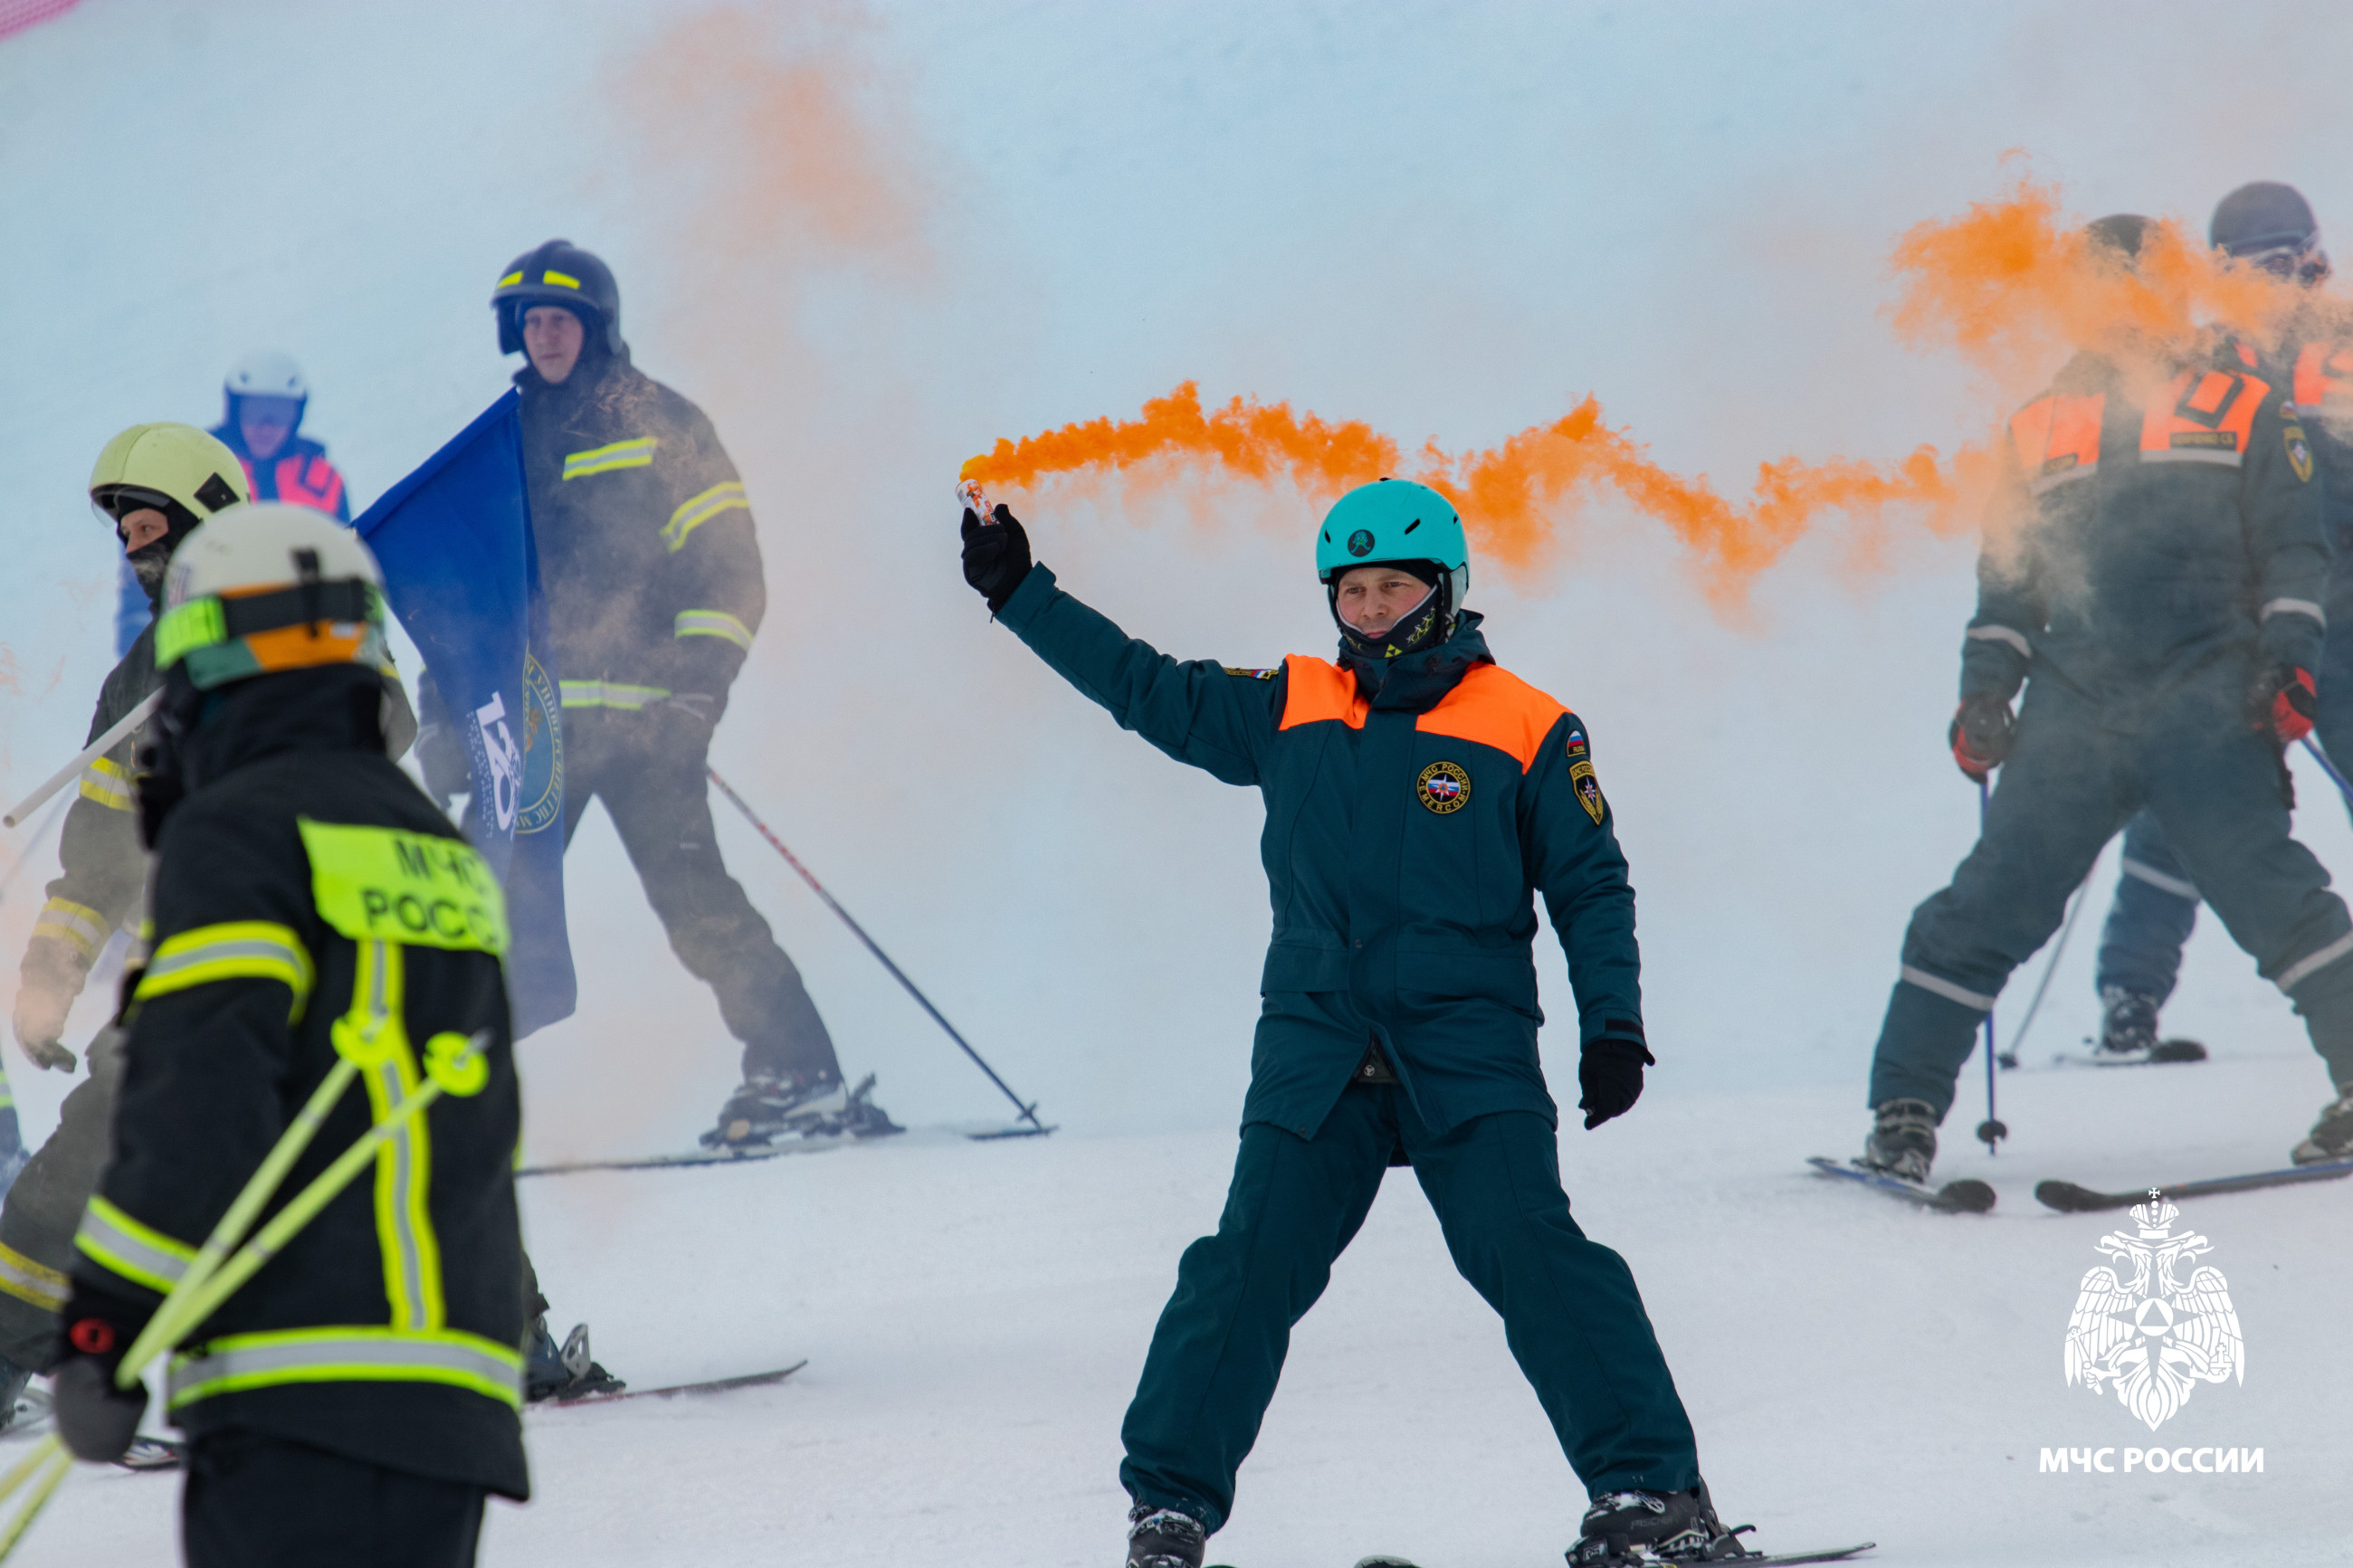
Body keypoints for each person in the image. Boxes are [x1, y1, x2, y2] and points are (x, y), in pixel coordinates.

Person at [960, 480, 1720, 1568]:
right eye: (1350, 589)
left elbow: (1590, 885)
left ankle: (1654, 1497)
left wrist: (1612, 1023)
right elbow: (1142, 687)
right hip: (1316, 1050)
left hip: (1470, 1051)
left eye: (1391, 587)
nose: (1367, 608)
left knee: (1539, 1258)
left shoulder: (1528, 724)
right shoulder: (1289, 703)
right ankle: (1167, 1510)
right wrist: (1020, 592)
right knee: (1241, 1267)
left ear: (1443, 589)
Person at [51, 504, 528, 1565]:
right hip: (453, 1399)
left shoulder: (243, 833)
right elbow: (479, 1115)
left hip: (299, 1388)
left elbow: (195, 1101)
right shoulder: (435, 850)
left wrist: (103, 1330)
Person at [1860, 214, 2353, 1183]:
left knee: (2270, 894)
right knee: (1984, 903)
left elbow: (2297, 551)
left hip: (2210, 700)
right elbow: (2006, 592)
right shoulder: (2037, 424)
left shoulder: (2248, 407)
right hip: (2074, 709)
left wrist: (2287, 657)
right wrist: (1982, 696)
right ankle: (1902, 1110)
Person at [480, 238, 890, 1147]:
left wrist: (693, 699)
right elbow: (470, 594)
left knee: (695, 902)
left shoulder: (658, 422)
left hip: (645, 726)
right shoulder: (496, 441)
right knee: (489, 910)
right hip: (539, 731)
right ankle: (450, 1106)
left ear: (597, 325)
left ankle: (798, 1076)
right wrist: (447, 713)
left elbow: (732, 573)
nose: (545, 336)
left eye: (561, 319)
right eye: (531, 321)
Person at [0, 425, 254, 1424]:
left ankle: (511, 1335)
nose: (145, 556)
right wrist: (50, 974)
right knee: (72, 1175)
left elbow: (386, 730)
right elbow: (96, 860)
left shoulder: (306, 624)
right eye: (133, 539)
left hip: (326, 957)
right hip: (186, 979)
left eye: (161, 532)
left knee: (399, 1146)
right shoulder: (132, 685)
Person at [2083, 186, 2353, 1108]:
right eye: (2244, 268)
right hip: (2241, 620)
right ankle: (2129, 991)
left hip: (2344, 614)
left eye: (2283, 263)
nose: (2268, 284)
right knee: (2186, 797)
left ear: (2312, 258)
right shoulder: (2211, 355)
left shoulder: (2343, 344)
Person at [111, 352, 353, 658]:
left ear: (297, 415)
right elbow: (145, 559)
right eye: (255, 412)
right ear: (235, 410)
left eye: (279, 413)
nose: (267, 426)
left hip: (304, 643)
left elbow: (347, 565)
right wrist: (138, 642)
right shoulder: (196, 471)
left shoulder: (322, 482)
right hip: (217, 643)